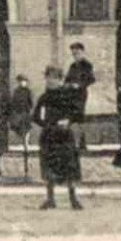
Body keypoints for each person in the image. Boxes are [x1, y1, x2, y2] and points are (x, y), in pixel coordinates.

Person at [32, 66, 83, 210]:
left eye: (54, 78)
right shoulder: (44, 97)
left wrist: (68, 121)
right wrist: (46, 124)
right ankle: (50, 199)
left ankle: (73, 199)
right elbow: (36, 117)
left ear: (60, 79)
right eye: (48, 77)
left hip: (65, 135)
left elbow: (77, 112)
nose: (51, 81)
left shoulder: (68, 95)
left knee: (69, 166)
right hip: (49, 135)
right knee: (49, 167)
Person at [64, 42, 96, 149]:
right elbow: (67, 79)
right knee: (71, 116)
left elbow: (91, 79)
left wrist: (80, 85)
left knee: (79, 117)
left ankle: (82, 141)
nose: (75, 56)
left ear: (82, 52)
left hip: (81, 94)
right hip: (71, 94)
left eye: (77, 53)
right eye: (73, 54)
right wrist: (68, 85)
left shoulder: (87, 65)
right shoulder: (72, 66)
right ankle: (71, 141)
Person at [8, 74, 36, 178]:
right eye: (20, 81)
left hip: (25, 114)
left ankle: (26, 145)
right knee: (19, 129)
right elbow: (13, 103)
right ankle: (23, 142)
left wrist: (27, 111)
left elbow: (31, 103)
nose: (22, 83)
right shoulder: (16, 91)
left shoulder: (28, 91)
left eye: (23, 81)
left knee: (26, 130)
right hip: (18, 114)